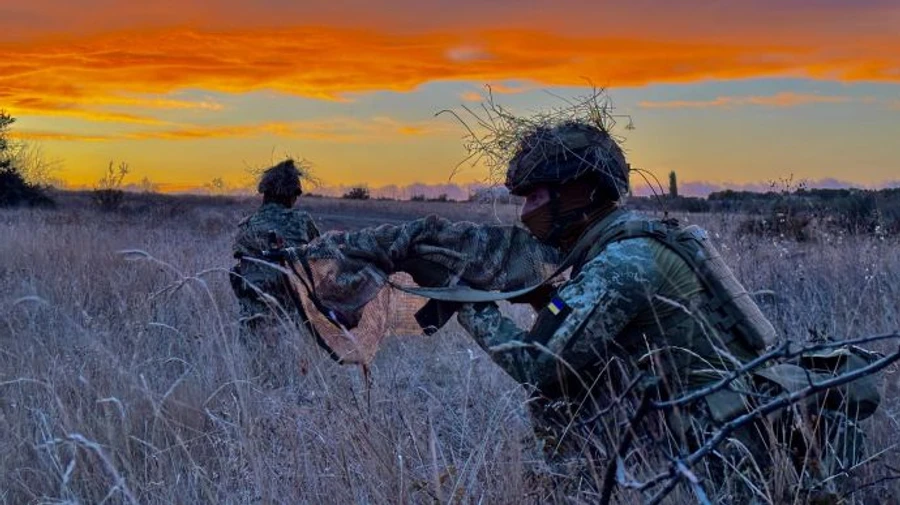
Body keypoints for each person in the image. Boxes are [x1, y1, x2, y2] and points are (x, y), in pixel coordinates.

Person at [298, 121, 876, 502]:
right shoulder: (631, 243)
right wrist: (534, 296)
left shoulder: (625, 262)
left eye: (536, 196)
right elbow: (583, 321)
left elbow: (538, 365)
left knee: (558, 394)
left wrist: (461, 297)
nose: (525, 212)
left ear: (581, 193)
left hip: (720, 458)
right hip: (722, 427)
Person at [230, 158, 320, 339]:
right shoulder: (302, 220)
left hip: (253, 318)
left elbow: (239, 262)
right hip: (292, 319)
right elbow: (321, 256)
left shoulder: (247, 225)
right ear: (292, 194)